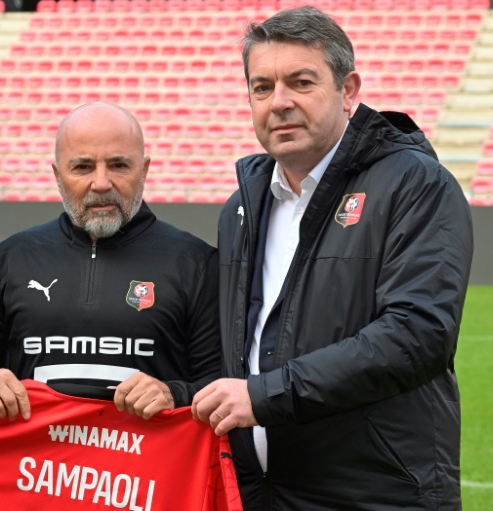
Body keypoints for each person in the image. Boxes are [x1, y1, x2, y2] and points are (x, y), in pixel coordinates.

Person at [191, 6, 473, 510]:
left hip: (376, 495)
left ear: (348, 91)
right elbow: (239, 354)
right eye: (262, 87)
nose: (279, 103)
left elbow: (417, 335)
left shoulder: (414, 183)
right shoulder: (242, 206)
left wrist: (264, 397)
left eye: (301, 82)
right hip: (263, 494)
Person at [0, 102, 220, 422]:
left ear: (145, 169)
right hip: (35, 468)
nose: (101, 183)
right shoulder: (14, 258)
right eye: (83, 167)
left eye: (119, 165)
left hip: (144, 469)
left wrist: (174, 393)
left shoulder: (195, 263)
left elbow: (222, 381)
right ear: (58, 175)